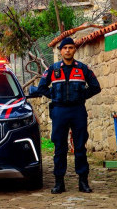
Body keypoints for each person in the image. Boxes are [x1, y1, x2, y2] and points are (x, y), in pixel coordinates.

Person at [34, 36, 101, 194]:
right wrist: (54, 96)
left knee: (80, 147)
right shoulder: (53, 69)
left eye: (70, 47)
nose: (68, 50)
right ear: (60, 51)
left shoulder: (82, 69)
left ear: (74, 50)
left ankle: (83, 182)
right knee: (59, 147)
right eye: (65, 48)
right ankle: (59, 183)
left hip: (77, 110)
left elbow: (95, 87)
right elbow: (41, 88)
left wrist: (82, 96)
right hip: (59, 111)